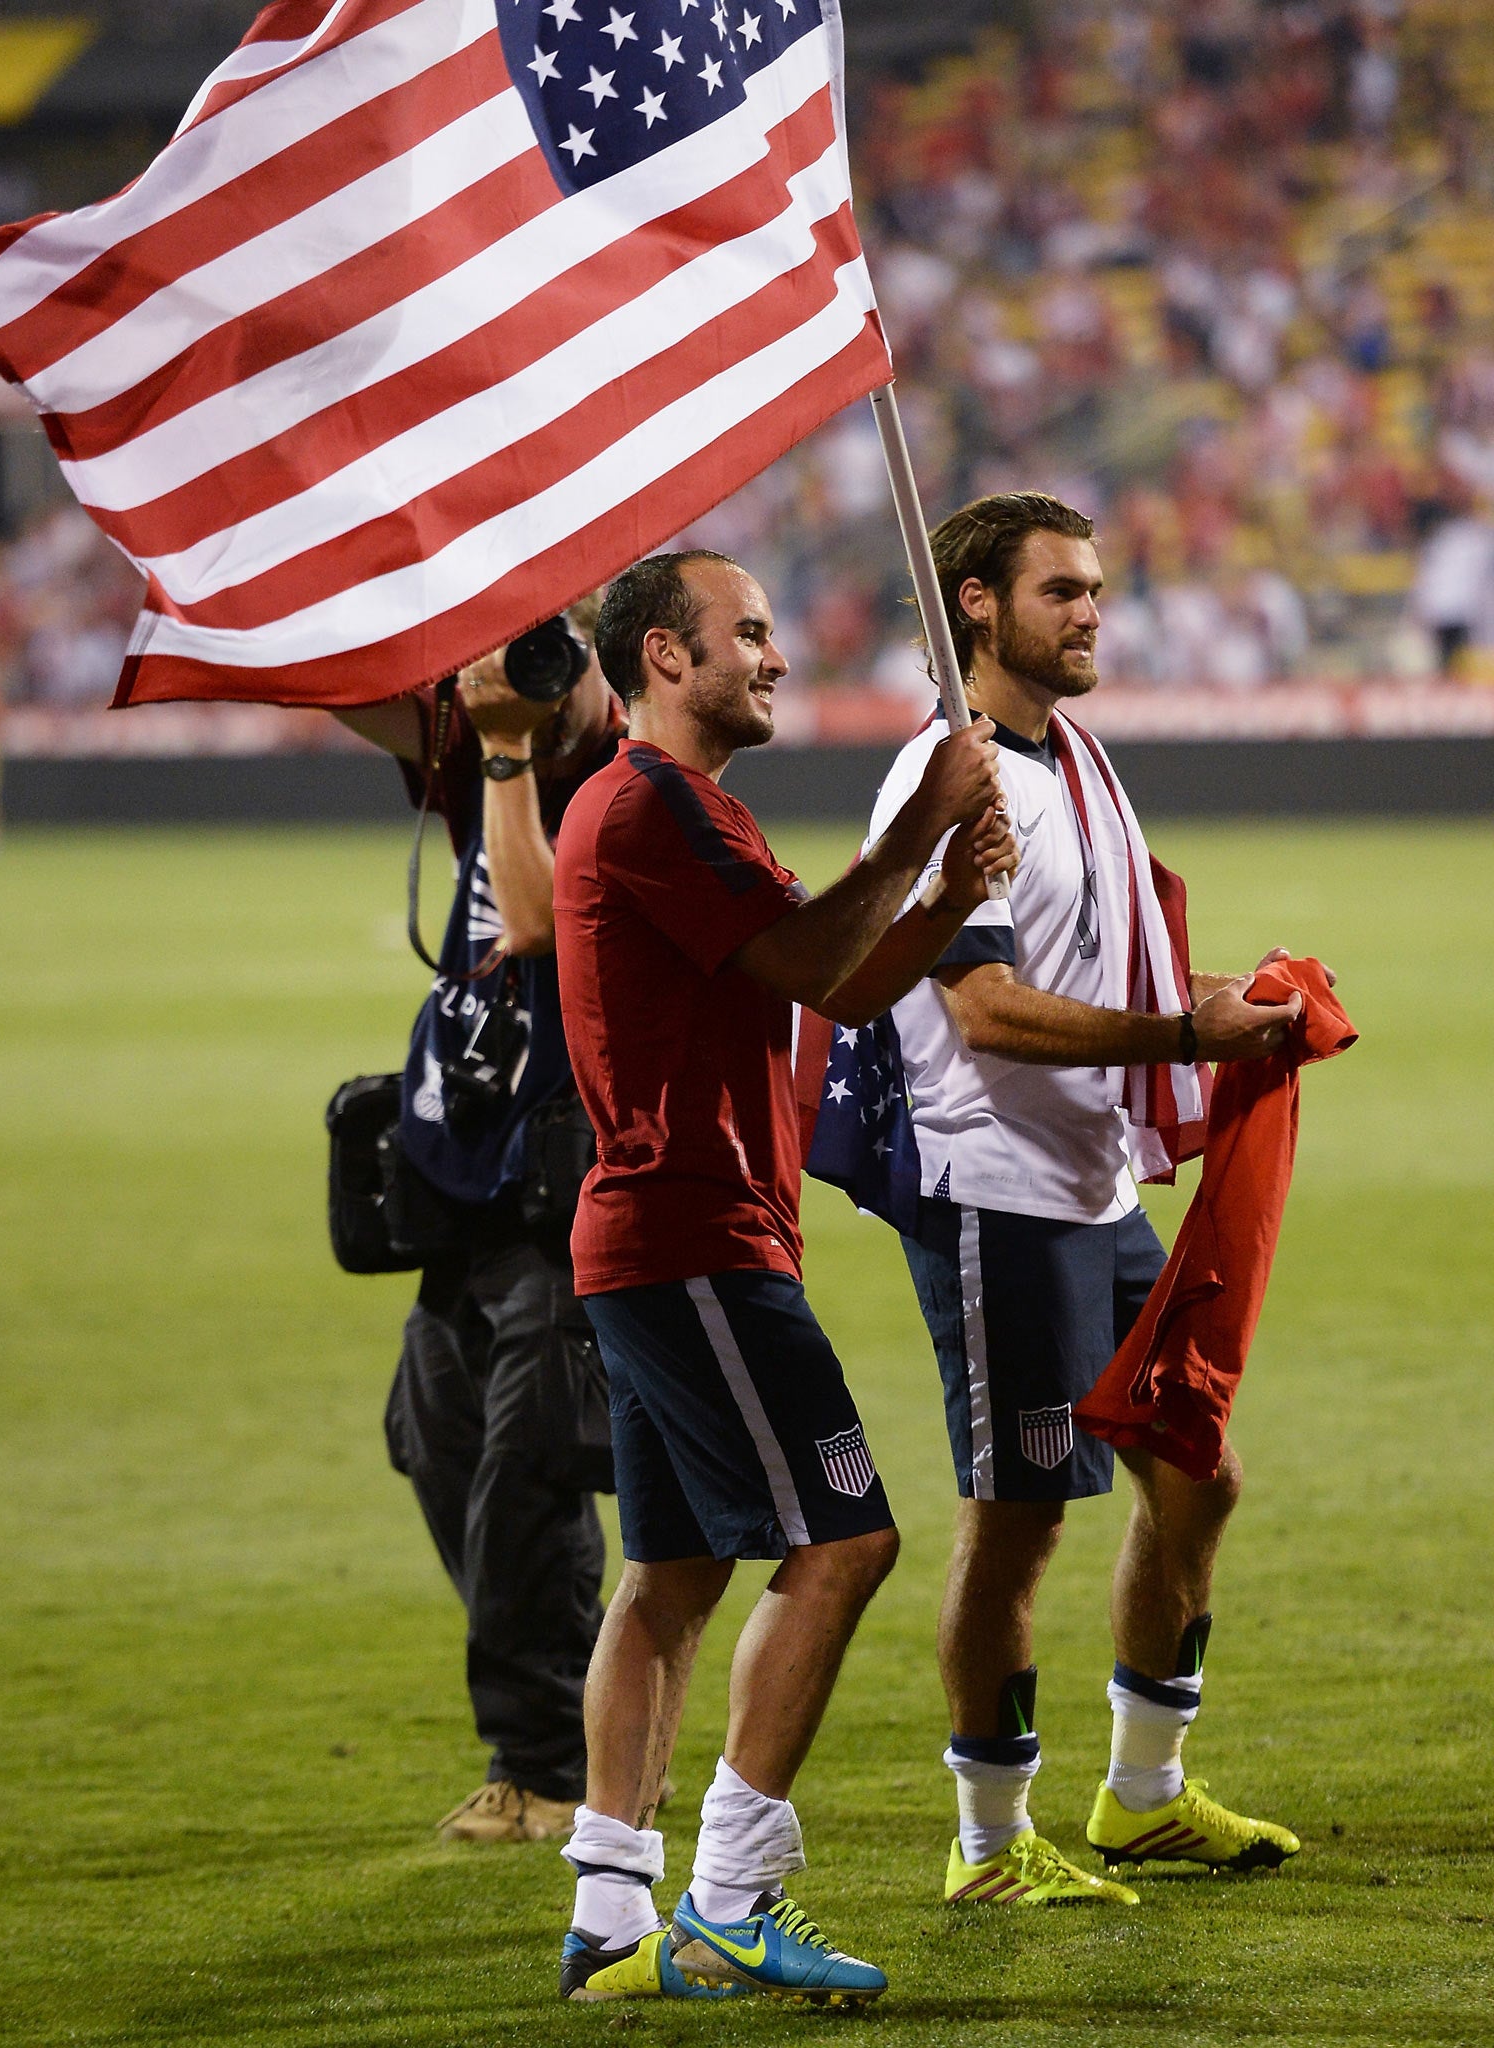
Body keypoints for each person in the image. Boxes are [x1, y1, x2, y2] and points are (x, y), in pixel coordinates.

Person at [550, 549, 1017, 2004]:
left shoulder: (675, 811)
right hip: (696, 1239)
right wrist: (915, 836)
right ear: (663, 660)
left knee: (673, 1576)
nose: (775, 654)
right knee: (845, 1542)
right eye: (745, 633)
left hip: (661, 1242)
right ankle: (731, 1897)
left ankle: (611, 1914)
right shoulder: (651, 806)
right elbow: (820, 964)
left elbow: (841, 983)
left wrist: (940, 898)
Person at [864, 491, 1309, 1908]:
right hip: (999, 1193)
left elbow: (1101, 972)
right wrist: (1184, 1041)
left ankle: (1142, 1801)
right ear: (977, 606)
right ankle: (989, 1849)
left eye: (1100, 589)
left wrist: (1211, 1005)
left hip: (1092, 1177)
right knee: (1019, 1516)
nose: (1093, 612)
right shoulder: (953, 782)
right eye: (1062, 589)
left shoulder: (1072, 762)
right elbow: (988, 1013)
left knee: (1200, 1473)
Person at [333, 595, 620, 1845]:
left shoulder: (623, 782)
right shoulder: (486, 747)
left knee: (529, 1472)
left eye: (563, 654)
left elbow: (539, 920)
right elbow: (331, 687)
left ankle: (560, 1763)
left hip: (561, 1199)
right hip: (458, 1191)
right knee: (442, 1451)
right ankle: (564, 1730)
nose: (539, 680)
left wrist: (507, 747)